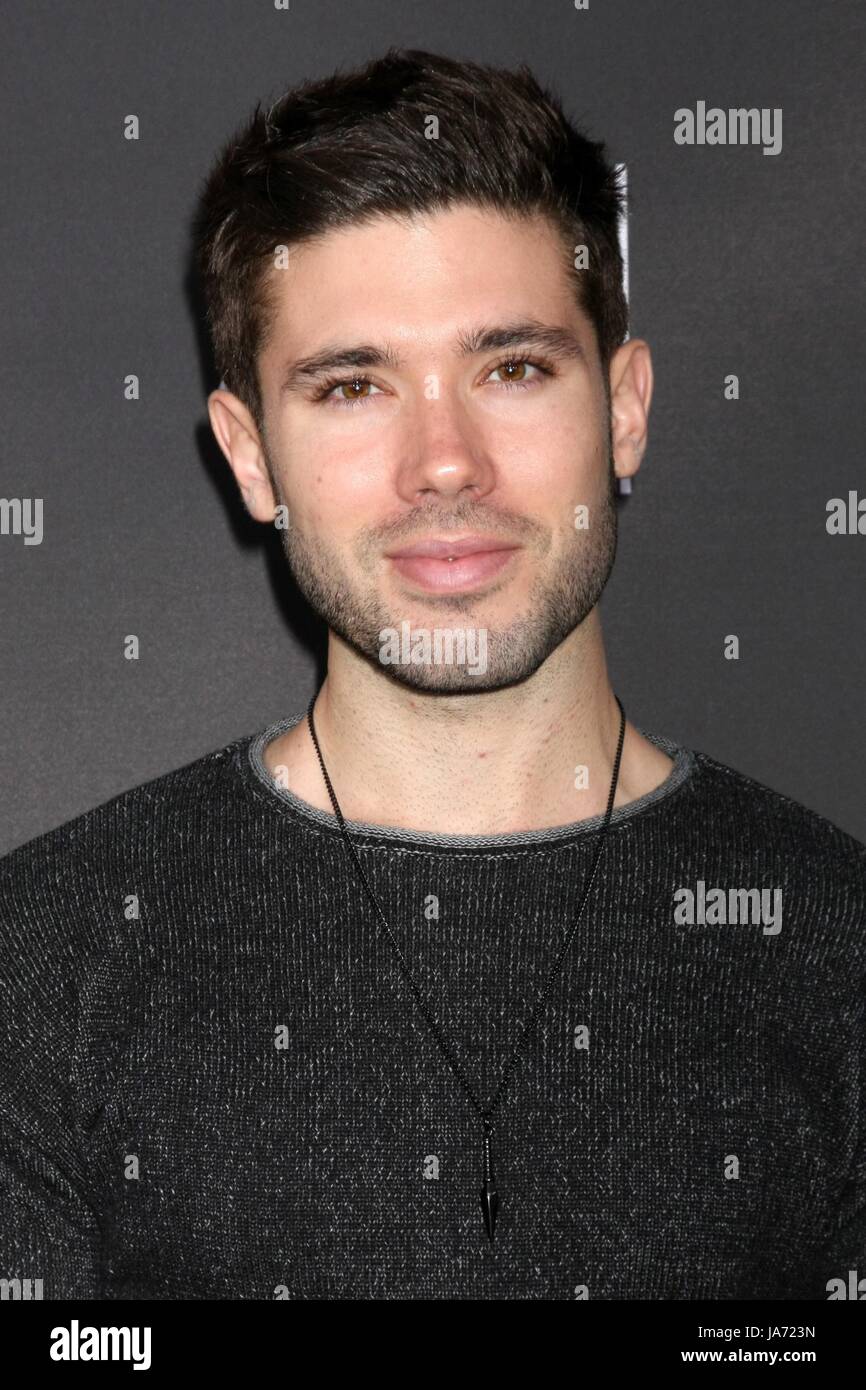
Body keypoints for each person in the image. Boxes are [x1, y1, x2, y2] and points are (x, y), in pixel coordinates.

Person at [1, 48, 864, 1302]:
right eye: (351, 385)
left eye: (510, 367)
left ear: (622, 409)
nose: (443, 462)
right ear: (250, 458)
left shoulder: (838, 957)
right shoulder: (39, 966)